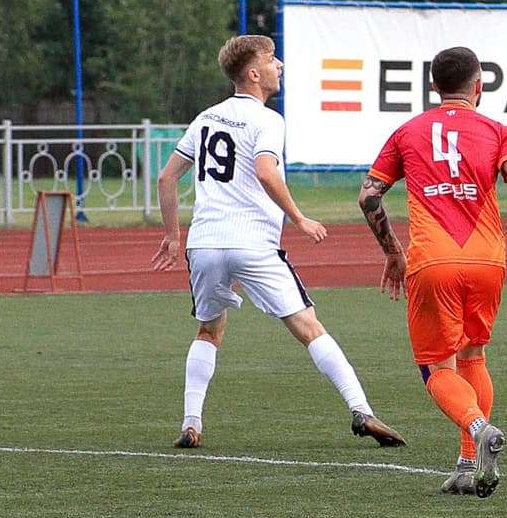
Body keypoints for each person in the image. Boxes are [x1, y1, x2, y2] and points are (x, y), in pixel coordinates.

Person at [152, 34, 405, 449]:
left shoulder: (206, 117)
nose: (280, 65)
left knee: (209, 330)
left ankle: (191, 423)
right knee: (309, 327)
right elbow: (266, 171)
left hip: (205, 242)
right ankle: (362, 410)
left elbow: (166, 178)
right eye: (272, 59)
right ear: (253, 74)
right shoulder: (267, 120)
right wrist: (300, 218)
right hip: (252, 241)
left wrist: (172, 236)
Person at [358, 46, 507, 498]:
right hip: (488, 260)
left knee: (437, 367)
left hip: (434, 261)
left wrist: (393, 252)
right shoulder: (498, 129)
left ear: (433, 87)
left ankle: (478, 426)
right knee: (473, 357)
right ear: (480, 87)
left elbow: (369, 196)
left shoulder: (407, 132)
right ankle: (468, 462)